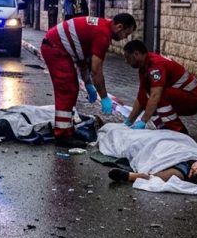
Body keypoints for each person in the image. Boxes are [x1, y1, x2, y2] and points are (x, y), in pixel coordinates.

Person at [40, 13, 137, 148]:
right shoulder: (103, 35)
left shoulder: (102, 27)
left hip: (58, 46)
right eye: (126, 34)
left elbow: (83, 60)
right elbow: (97, 71)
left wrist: (88, 83)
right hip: (55, 48)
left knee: (72, 89)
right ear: (119, 27)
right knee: (67, 90)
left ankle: (67, 129)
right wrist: (104, 97)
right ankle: (62, 135)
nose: (125, 38)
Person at [122, 40, 197, 134]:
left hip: (194, 99)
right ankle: (164, 127)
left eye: (127, 57)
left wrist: (143, 121)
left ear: (136, 54)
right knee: (147, 98)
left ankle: (179, 130)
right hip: (184, 96)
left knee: (158, 97)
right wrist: (130, 121)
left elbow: (155, 96)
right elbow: (141, 96)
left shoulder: (155, 67)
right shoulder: (144, 67)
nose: (126, 61)